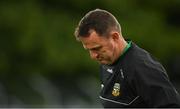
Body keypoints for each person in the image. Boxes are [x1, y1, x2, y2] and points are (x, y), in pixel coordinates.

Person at [74, 9, 180, 108]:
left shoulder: (142, 67)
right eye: (89, 50)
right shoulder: (107, 61)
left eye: (97, 48)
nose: (93, 56)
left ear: (115, 37)